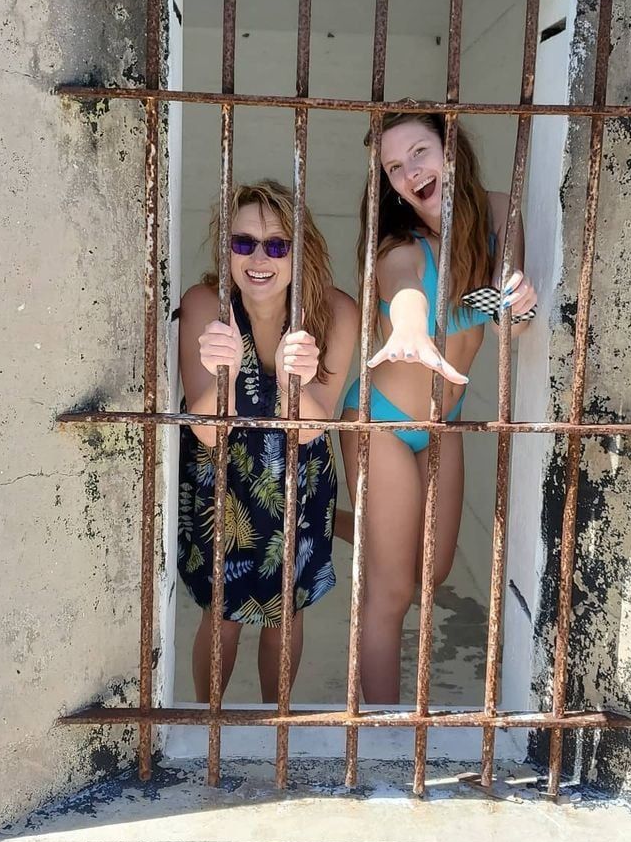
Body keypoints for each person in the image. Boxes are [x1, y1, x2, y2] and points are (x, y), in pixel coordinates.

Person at [340, 112, 538, 704]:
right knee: (391, 591)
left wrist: (519, 303)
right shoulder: (398, 248)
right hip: (382, 423)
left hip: (442, 423)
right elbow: (404, 293)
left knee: (435, 572)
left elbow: (509, 312)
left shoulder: (501, 212)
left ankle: (335, 525)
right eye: (394, 168)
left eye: (419, 152)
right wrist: (408, 326)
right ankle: (379, 740)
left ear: (452, 151)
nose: (410, 172)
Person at [177, 180, 359, 703]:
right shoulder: (203, 305)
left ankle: (272, 725)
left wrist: (288, 377)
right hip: (222, 482)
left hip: (296, 482)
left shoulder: (335, 312)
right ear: (225, 247)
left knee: (286, 608)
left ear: (301, 252)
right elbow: (207, 430)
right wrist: (227, 371)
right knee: (221, 615)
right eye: (244, 243)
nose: (260, 258)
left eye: (277, 245)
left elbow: (310, 430)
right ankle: (208, 722)